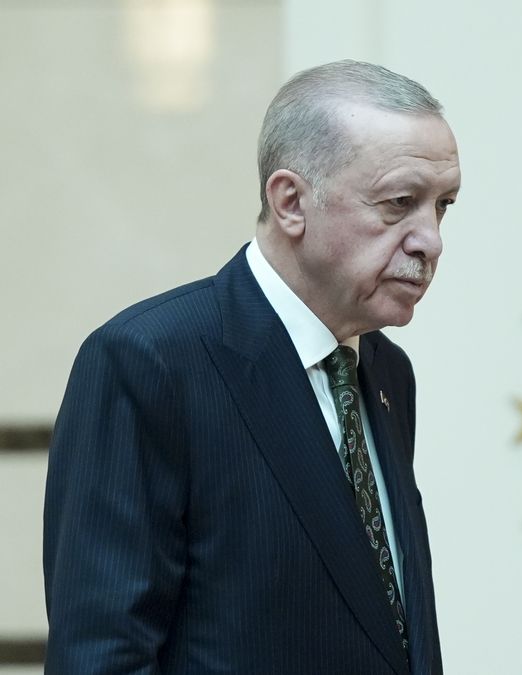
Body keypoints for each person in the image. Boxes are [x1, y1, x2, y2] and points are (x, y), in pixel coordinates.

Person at [42, 60, 460, 675]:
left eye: (442, 206)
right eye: (400, 203)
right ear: (290, 202)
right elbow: (102, 656)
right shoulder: (149, 361)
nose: (431, 240)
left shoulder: (385, 371)